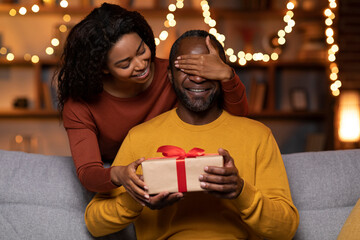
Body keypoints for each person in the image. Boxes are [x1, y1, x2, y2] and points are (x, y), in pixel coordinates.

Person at [84, 30, 299, 239]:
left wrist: (241, 191)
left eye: (207, 68)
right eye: (186, 68)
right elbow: (94, 223)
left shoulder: (258, 136)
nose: (198, 78)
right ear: (169, 75)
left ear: (223, 73)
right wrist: (136, 198)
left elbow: (286, 229)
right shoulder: (140, 137)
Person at [57, 3, 248, 193]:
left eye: (141, 51)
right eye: (125, 64)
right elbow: (89, 173)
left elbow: (237, 125)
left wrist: (227, 75)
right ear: (103, 68)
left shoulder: (174, 73)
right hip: (123, 183)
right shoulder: (80, 104)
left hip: (178, 174)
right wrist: (118, 174)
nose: (141, 65)